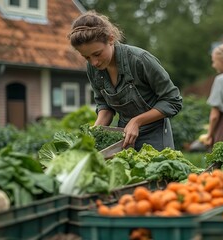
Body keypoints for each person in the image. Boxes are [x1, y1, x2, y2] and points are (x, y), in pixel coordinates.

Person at [67, 11, 183, 151]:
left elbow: (173, 100)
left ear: (110, 39)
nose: (94, 62)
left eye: (97, 54)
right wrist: (94, 132)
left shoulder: (140, 60)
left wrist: (137, 121)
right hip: (123, 137)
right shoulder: (93, 69)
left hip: (156, 136)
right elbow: (104, 104)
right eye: (87, 57)